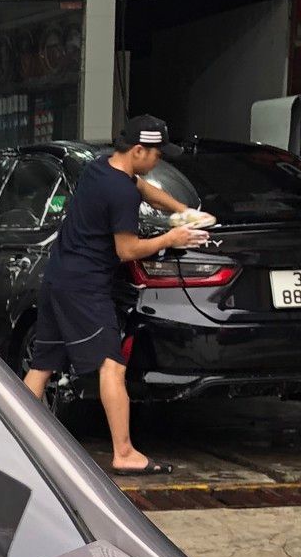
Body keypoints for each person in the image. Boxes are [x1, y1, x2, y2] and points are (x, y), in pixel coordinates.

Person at [24, 115, 206, 476]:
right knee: (112, 364)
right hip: (85, 287)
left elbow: (143, 187)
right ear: (138, 150)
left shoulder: (101, 168)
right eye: (156, 154)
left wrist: (183, 211)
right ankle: (124, 453)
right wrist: (172, 238)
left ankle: (11, 441)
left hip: (58, 277)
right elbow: (127, 250)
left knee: (43, 364)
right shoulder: (120, 192)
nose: (158, 161)